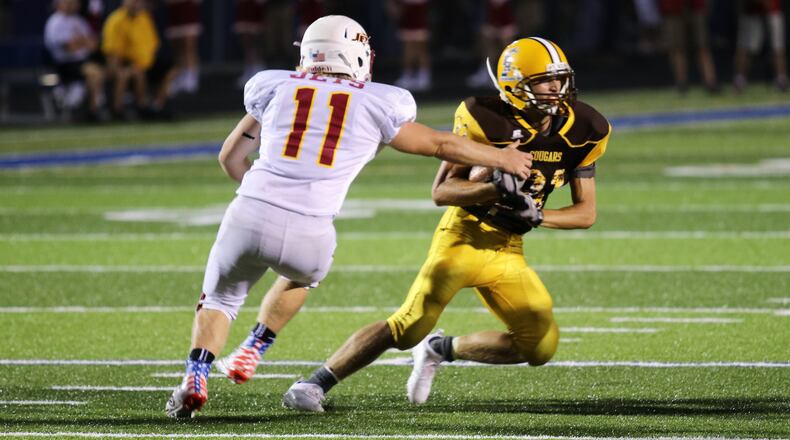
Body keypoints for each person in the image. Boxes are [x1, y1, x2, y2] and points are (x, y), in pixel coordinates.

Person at [164, 15, 534, 419]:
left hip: (250, 210)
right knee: (302, 275)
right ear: (357, 54)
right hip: (312, 228)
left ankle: (194, 377)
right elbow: (439, 144)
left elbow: (230, 158)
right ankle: (256, 345)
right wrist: (502, 157)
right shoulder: (379, 100)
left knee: (219, 300)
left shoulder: (273, 86)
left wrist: (262, 192)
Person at [279, 37, 612, 412]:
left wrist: (537, 215)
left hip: (508, 248)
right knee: (409, 326)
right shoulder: (485, 117)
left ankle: (441, 349)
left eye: (560, 79)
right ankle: (313, 384)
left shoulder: (585, 126)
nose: (557, 89)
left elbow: (586, 213)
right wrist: (492, 186)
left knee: (539, 345)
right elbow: (442, 191)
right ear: (514, 85)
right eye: (544, 81)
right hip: (463, 236)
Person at [102, 0, 176, 119]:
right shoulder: (115, 20)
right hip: (126, 62)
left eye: (139, 2)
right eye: (133, 2)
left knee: (170, 69)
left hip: (145, 63)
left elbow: (153, 44)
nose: (136, 5)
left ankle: (156, 107)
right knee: (134, 72)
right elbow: (112, 52)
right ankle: (122, 110)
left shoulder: (144, 18)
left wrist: (145, 61)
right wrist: (118, 68)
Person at [43, 0, 106, 120]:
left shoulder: (79, 20)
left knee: (101, 71)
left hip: (82, 61)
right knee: (94, 73)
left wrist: (79, 42)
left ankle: (92, 107)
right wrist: (83, 41)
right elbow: (68, 48)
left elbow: (93, 45)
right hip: (64, 64)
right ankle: (92, 110)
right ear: (59, 4)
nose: (71, 5)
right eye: (67, 2)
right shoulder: (55, 22)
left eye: (73, 2)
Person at [658, 0, 719, 94]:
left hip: (695, 6)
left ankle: (711, 82)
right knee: (677, 48)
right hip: (673, 8)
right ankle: (681, 84)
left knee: (702, 46)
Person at [733, 0, 788, 92]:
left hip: (773, 10)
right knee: (745, 48)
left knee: (777, 47)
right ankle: (740, 79)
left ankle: (781, 79)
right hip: (751, 12)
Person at [390, 0, 432, 91]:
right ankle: (407, 76)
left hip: (420, 21)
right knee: (407, 49)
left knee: (421, 50)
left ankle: (424, 77)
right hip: (407, 21)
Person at [165, 0, 202, 94]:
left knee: (189, 48)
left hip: (188, 13)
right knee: (177, 51)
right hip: (174, 14)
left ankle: (191, 78)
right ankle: (179, 76)